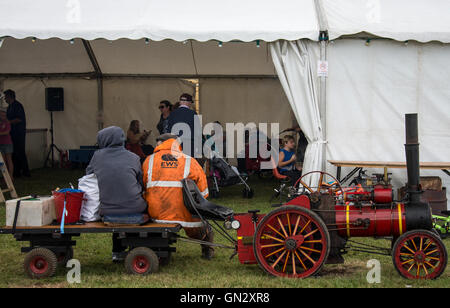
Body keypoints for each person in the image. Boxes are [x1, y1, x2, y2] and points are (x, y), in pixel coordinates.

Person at [142, 133, 214, 259]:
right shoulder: (189, 161)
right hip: (185, 215)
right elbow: (203, 194)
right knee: (205, 228)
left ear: (159, 144)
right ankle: (207, 251)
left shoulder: (149, 160)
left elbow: (142, 187)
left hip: (156, 215)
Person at [86, 126, 148, 261]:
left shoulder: (97, 157)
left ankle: (117, 252)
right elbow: (141, 183)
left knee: (116, 208)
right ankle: (134, 248)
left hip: (107, 210)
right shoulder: (134, 157)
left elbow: (88, 176)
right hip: (136, 207)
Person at [4, 89, 30, 177]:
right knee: (14, 153)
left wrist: (8, 122)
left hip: (19, 133)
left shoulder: (18, 106)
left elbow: (19, 119)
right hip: (12, 133)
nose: (4, 99)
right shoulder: (9, 107)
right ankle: (17, 172)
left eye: (5, 97)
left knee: (20, 152)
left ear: (9, 97)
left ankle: (26, 172)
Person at [167, 93, 201, 159]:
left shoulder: (172, 113)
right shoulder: (193, 113)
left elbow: (168, 130)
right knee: (187, 165)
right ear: (189, 102)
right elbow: (198, 132)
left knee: (177, 165)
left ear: (180, 102)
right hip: (189, 145)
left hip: (175, 144)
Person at [0, 108, 14, 177]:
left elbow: (7, 132)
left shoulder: (7, 122)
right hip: (1, 144)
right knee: (3, 162)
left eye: (3, 114)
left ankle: (11, 176)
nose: (2, 115)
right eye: (1, 114)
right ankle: (5, 176)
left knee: (9, 160)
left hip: (7, 143)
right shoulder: (0, 123)